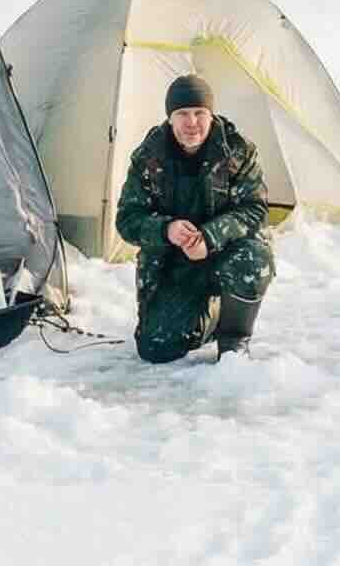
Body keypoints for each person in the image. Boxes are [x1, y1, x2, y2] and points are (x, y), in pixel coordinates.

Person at [114, 73, 275, 363]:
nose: (192, 122)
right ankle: (212, 315)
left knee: (254, 257)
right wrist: (166, 230)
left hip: (226, 252)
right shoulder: (148, 156)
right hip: (174, 263)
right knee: (157, 349)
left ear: (211, 115)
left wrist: (210, 238)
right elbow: (127, 219)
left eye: (200, 113)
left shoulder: (238, 150)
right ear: (170, 118)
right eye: (182, 114)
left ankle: (234, 338)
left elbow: (255, 208)